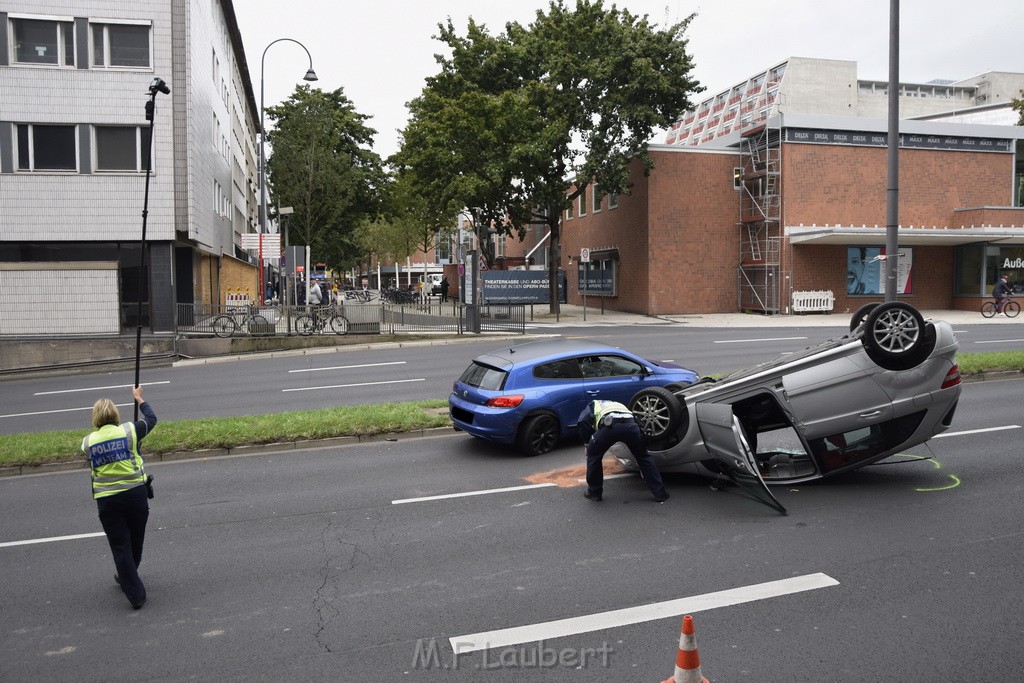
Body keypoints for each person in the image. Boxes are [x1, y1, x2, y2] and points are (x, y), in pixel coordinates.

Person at [81, 386, 157, 610]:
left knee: (120, 546)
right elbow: (151, 419)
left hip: (108, 501)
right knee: (136, 539)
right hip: (135, 495)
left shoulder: (87, 443)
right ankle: (134, 590)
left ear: (95, 418)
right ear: (115, 414)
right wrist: (139, 399)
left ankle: (129, 580)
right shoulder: (130, 432)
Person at [577, 399, 669, 502]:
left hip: (609, 426)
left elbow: (583, 421)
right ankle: (660, 493)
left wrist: (587, 444)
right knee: (643, 457)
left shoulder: (593, 404)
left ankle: (594, 492)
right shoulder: (619, 404)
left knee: (593, 456)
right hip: (631, 425)